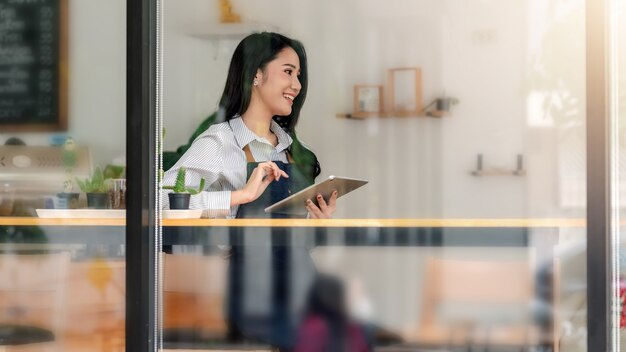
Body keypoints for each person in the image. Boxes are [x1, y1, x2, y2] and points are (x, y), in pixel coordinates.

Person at [162, 32, 340, 350]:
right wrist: (238, 197)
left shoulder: (292, 150)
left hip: (302, 291)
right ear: (256, 74)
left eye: (298, 75)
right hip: (247, 298)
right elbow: (161, 200)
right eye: (288, 71)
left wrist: (317, 224)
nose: (297, 85)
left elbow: (292, 246)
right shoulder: (219, 143)